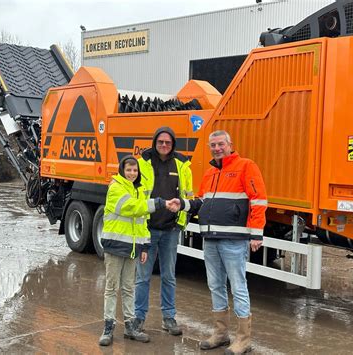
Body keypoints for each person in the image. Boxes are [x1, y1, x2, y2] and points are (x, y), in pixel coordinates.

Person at [169, 130, 267, 354]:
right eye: (213, 145)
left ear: (230, 145)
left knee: (238, 287)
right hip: (211, 239)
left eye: (220, 144)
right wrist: (182, 204)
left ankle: (243, 339)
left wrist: (256, 234)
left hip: (234, 240)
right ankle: (221, 334)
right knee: (215, 285)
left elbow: (259, 199)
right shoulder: (211, 171)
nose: (217, 148)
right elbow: (202, 200)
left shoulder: (246, 166)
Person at [99, 155, 170, 346]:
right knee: (112, 288)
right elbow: (132, 208)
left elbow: (142, 222)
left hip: (132, 248)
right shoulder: (116, 188)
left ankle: (130, 327)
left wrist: (144, 246)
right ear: (122, 170)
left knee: (129, 288)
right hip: (115, 246)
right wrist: (159, 203)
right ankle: (108, 328)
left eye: (135, 170)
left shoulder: (138, 190)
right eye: (128, 169)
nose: (132, 173)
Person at [134, 126, 193, 336]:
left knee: (169, 276)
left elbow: (189, 195)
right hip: (147, 230)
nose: (164, 145)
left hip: (170, 230)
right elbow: (135, 193)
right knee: (143, 277)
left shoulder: (182, 165)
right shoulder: (143, 163)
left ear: (173, 144)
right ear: (154, 142)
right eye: (161, 142)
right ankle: (138, 318)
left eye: (168, 142)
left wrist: (180, 222)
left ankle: (168, 318)